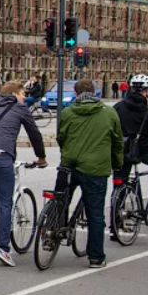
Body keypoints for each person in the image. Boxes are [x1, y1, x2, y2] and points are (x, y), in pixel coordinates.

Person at [0, 81, 48, 267]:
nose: (24, 97)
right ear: (15, 93)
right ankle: (3, 248)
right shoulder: (19, 108)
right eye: (23, 93)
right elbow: (34, 134)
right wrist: (41, 157)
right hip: (1, 154)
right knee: (5, 201)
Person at [56, 80, 123, 268]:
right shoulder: (109, 112)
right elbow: (117, 142)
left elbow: (61, 137)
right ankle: (96, 257)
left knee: (60, 200)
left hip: (68, 165)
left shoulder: (68, 112)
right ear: (95, 92)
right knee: (95, 213)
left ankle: (52, 232)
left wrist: (67, 153)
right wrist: (117, 164)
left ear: (76, 94)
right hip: (95, 169)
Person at [113, 74, 148, 223]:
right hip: (144, 150)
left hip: (122, 151)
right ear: (147, 90)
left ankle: (115, 221)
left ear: (131, 89)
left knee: (120, 183)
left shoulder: (118, 107)